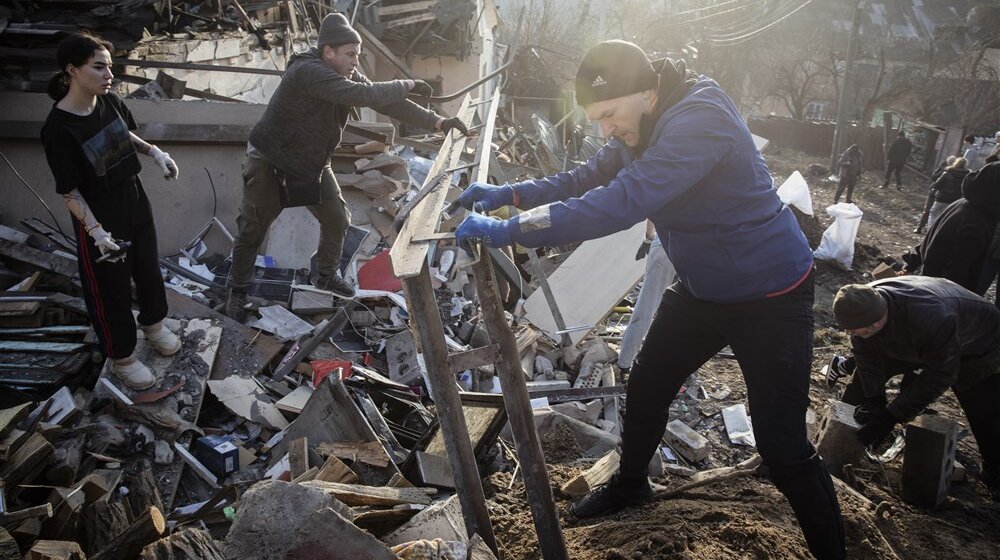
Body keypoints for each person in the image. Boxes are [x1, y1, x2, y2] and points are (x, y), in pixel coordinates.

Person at [452, 40, 844, 559]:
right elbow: (589, 176)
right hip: (705, 288)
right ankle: (632, 482)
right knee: (648, 385)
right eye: (596, 118)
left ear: (648, 92)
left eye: (609, 115)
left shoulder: (699, 119)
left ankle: (834, 551)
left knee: (782, 444)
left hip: (770, 293)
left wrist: (514, 228)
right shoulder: (645, 121)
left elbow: (622, 201)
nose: (604, 128)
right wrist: (512, 193)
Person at [225, 13, 468, 320]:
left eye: (358, 54)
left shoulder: (345, 75)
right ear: (328, 52)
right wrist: (406, 82)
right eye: (350, 54)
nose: (356, 60)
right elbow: (362, 95)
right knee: (252, 230)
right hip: (270, 162)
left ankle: (325, 275)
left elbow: (384, 101)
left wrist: (438, 121)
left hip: (311, 164)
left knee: (338, 219)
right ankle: (238, 292)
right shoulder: (307, 71)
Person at [41, 33, 182, 390]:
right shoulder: (58, 128)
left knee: (148, 267)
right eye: (99, 66)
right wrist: (96, 233)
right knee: (110, 288)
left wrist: (155, 153)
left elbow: (123, 135)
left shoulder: (110, 101)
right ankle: (123, 357)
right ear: (72, 70)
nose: (109, 75)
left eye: (111, 66)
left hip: (133, 196)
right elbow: (69, 191)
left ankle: (153, 325)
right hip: (99, 213)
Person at [832, 278, 1000, 502]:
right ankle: (839, 448)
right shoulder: (858, 309)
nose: (857, 334)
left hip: (978, 344)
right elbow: (867, 360)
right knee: (860, 387)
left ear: (878, 317)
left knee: (985, 411)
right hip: (910, 338)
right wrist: (875, 400)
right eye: (853, 331)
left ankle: (995, 473)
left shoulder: (931, 317)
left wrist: (890, 416)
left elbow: (940, 374)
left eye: (862, 330)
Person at [904, 162, 1000, 292]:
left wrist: (910, 265)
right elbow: (956, 273)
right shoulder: (977, 223)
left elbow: (929, 238)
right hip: (938, 294)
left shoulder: (964, 204)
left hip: (927, 283)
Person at [618, 221, 677, 373]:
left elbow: (653, 210)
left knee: (646, 307)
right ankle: (679, 367)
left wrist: (649, 238)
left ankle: (624, 363)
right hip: (693, 248)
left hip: (664, 243)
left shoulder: (665, 195)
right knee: (686, 311)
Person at [921, 157, 969, 232]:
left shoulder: (947, 173)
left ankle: (930, 231)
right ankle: (940, 232)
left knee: (933, 214)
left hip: (941, 198)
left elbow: (936, 184)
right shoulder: (966, 176)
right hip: (954, 201)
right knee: (946, 218)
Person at [914, 155, 956, 233]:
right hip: (938, 194)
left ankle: (929, 230)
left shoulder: (952, 172)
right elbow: (934, 176)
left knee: (933, 212)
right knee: (928, 211)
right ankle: (921, 227)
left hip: (941, 195)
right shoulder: (943, 167)